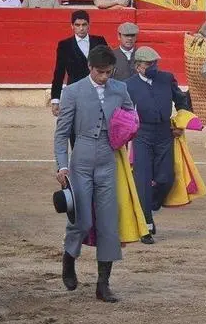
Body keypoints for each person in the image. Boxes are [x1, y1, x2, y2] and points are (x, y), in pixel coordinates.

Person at [54, 45, 134, 303]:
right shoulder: (74, 91)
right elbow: (62, 132)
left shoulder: (119, 89)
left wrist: (126, 130)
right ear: (90, 67)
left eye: (109, 72)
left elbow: (132, 117)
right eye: (100, 72)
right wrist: (62, 166)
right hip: (82, 159)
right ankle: (69, 258)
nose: (104, 77)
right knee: (83, 220)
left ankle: (103, 284)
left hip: (108, 158)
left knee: (109, 222)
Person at [125, 46, 188, 243]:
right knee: (142, 179)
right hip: (141, 134)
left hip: (164, 133)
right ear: (138, 67)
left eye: (155, 63)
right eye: (148, 64)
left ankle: (151, 202)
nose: (153, 66)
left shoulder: (166, 78)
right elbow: (121, 112)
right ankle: (146, 225)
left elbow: (182, 103)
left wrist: (181, 124)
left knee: (166, 178)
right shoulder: (127, 86)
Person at [50, 10, 108, 117]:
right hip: (75, 91)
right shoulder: (64, 45)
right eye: (77, 25)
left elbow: (108, 66)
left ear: (89, 25)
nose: (81, 28)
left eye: (84, 25)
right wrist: (55, 100)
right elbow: (59, 73)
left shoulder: (100, 41)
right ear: (72, 26)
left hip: (98, 91)